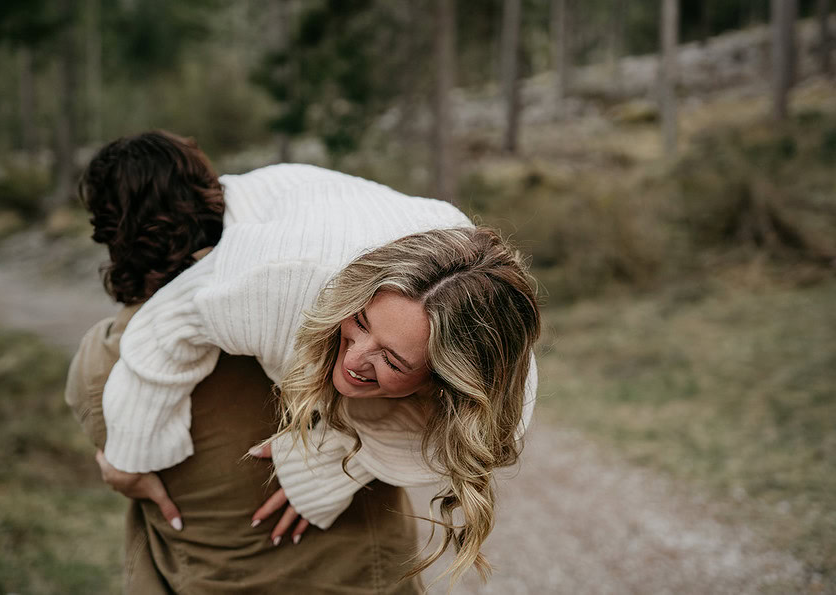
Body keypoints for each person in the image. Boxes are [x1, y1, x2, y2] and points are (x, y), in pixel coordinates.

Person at [96, 131, 542, 587]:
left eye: (391, 359)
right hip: (265, 216)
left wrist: (331, 464)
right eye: (362, 322)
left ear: (448, 380)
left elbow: (442, 437)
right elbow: (161, 331)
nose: (356, 358)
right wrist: (130, 459)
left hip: (348, 216)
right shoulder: (266, 284)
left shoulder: (496, 383)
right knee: (110, 356)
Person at [67, 130, 423, 593]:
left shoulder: (106, 358)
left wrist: (120, 467)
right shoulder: (337, 318)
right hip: (363, 576)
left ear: (107, 233)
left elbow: (128, 462)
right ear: (214, 191)